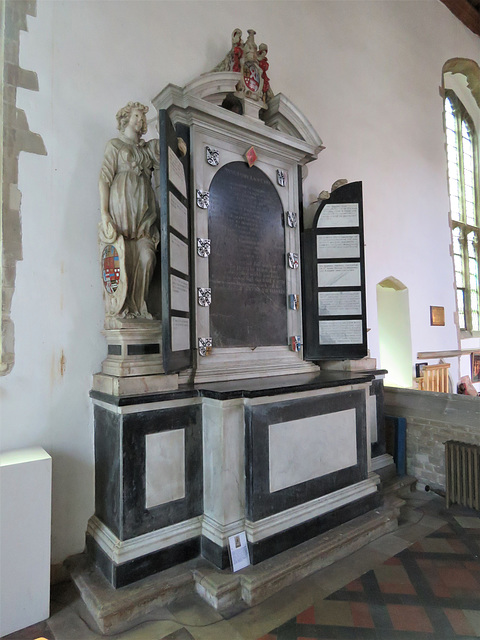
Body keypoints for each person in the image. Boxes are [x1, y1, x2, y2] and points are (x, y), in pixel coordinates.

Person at [99, 102, 159, 319]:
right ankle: (123, 310)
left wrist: (178, 140)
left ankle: (139, 306)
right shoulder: (114, 145)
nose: (140, 121)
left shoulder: (148, 149)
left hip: (144, 218)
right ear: (126, 118)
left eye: (143, 118)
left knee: (147, 257)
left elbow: (169, 150)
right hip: (121, 216)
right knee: (123, 262)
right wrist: (105, 212)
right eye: (136, 116)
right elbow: (105, 179)